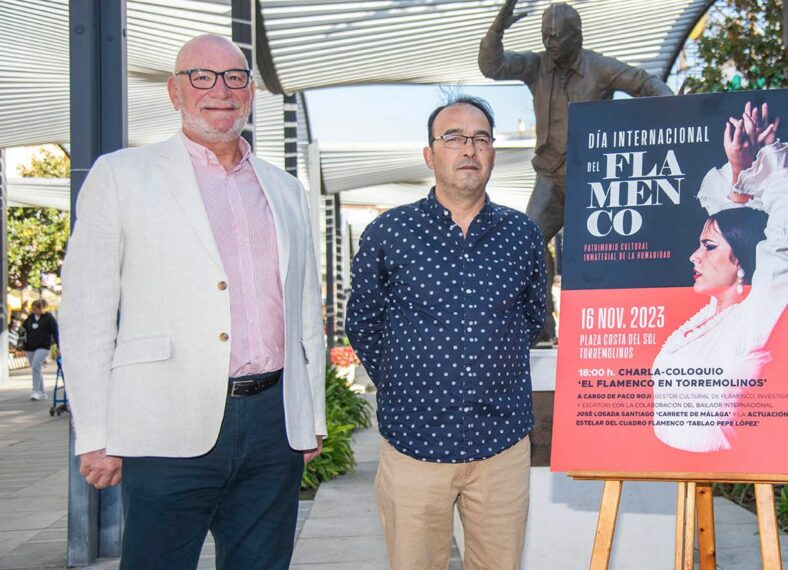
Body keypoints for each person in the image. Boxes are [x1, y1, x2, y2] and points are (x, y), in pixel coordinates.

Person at [60, 34, 326, 569]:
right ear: (174, 91)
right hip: (163, 424)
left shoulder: (286, 190)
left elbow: (305, 313)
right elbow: (86, 312)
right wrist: (94, 433)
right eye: (201, 77)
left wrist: (310, 414)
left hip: (273, 425)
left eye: (234, 77)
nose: (219, 90)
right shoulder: (122, 176)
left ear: (251, 92)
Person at [345, 95, 546, 570]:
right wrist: (407, 384)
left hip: (501, 445)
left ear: (493, 153)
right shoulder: (388, 233)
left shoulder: (523, 235)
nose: (469, 149)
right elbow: (363, 322)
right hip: (414, 444)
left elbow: (533, 318)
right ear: (430, 154)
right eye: (454, 137)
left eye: (480, 138)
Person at [479, 0, 673, 341]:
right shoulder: (537, 66)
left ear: (576, 36)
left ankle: (592, 328)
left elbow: (645, 83)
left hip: (591, 180)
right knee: (529, 244)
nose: (549, 44)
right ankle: (540, 326)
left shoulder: (598, 67)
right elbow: (491, 66)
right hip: (550, 176)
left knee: (592, 257)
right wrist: (499, 26)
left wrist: (677, 108)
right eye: (545, 36)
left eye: (556, 37)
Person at [653, 102, 788, 452]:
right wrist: (743, 171)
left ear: (741, 261)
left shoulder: (753, 318)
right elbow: (735, 226)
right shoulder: (712, 314)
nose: (694, 256)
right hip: (667, 466)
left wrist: (770, 162)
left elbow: (782, 234)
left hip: (722, 469)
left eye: (708, 247)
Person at [21, 299, 59, 401]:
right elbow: (23, 330)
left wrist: (58, 346)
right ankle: (42, 392)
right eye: (32, 309)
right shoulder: (30, 318)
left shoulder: (49, 318)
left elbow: (55, 332)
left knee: (36, 365)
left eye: (35, 309)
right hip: (29, 346)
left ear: (42, 308)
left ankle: (35, 391)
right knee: (36, 368)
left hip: (43, 346)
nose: (33, 311)